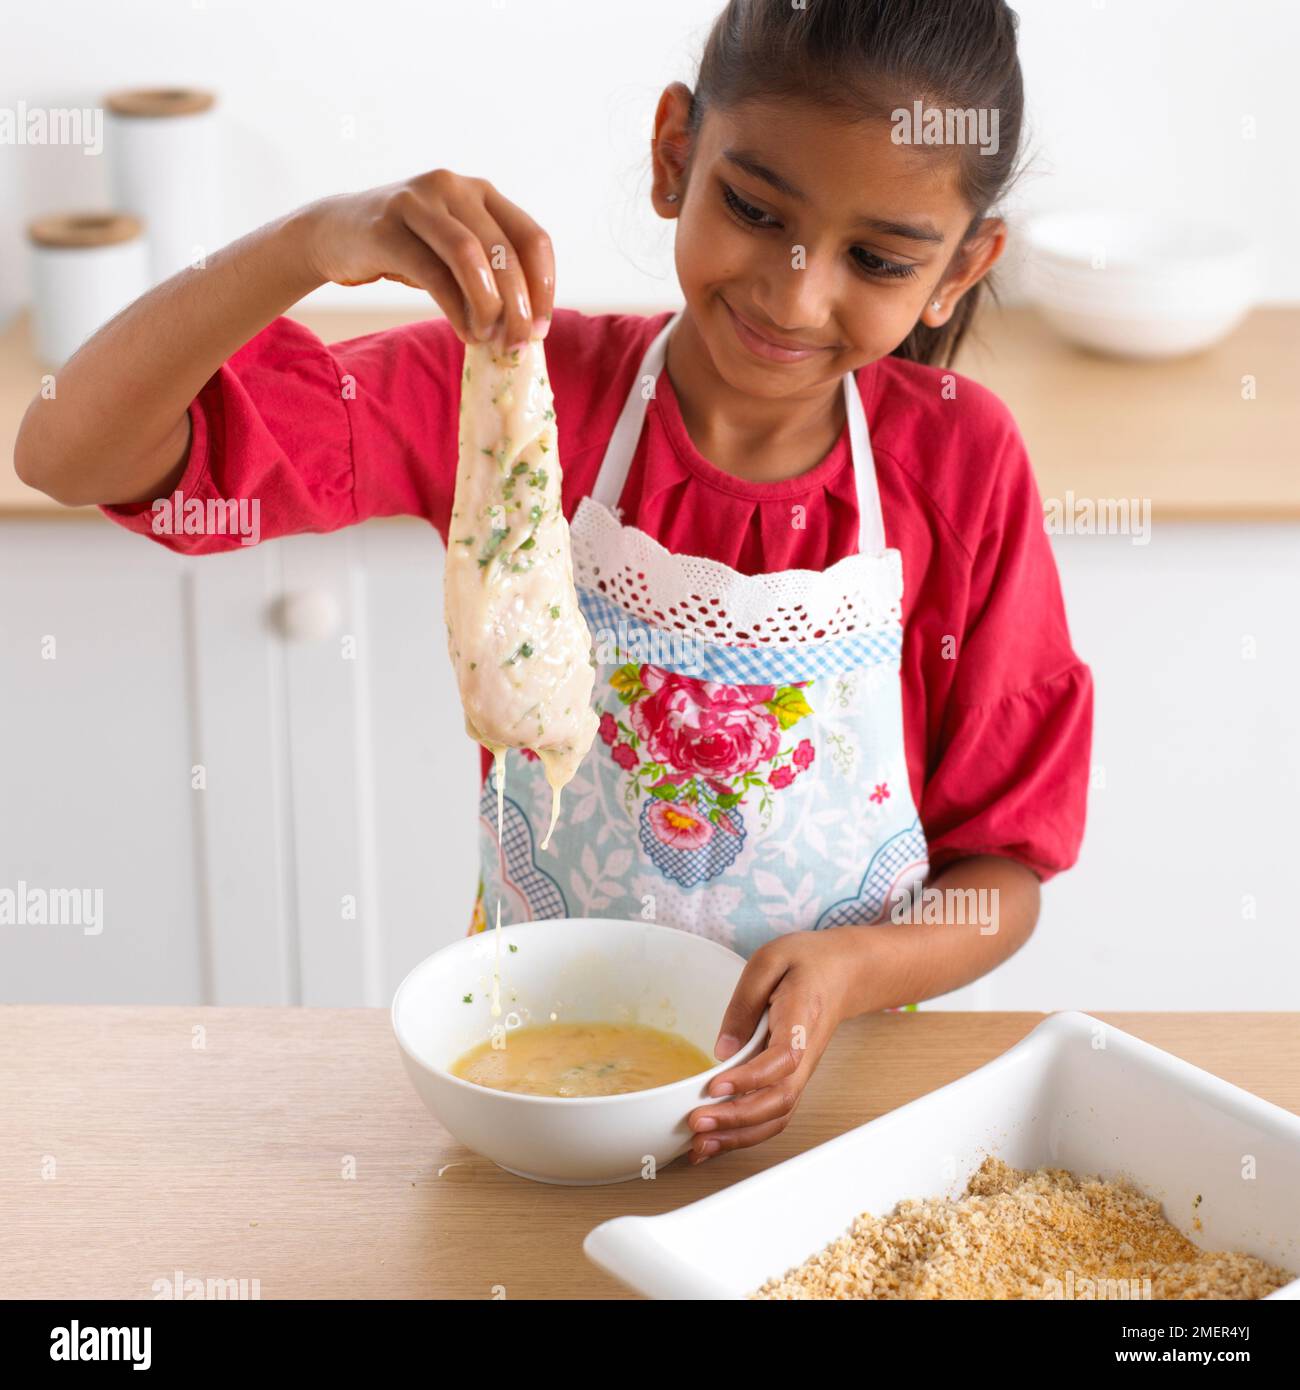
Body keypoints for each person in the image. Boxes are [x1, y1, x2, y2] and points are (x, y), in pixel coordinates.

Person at [16, 0, 1092, 1165]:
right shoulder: (515, 397)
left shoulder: (959, 463)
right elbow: (68, 451)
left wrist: (856, 967)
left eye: (876, 260)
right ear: (673, 153)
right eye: (753, 209)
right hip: (544, 1106)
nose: (793, 292)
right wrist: (309, 242)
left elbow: (1004, 871)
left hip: (844, 1118)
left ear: (959, 266)